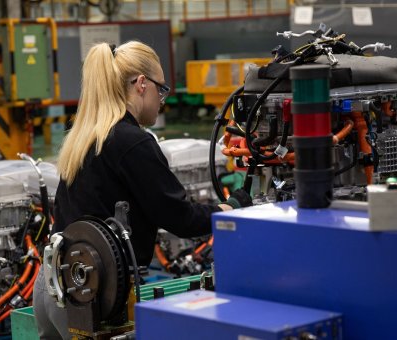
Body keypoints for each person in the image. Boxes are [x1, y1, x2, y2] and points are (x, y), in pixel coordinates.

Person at [33, 41, 253, 340]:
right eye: (161, 90)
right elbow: (179, 218)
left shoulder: (84, 137)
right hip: (93, 298)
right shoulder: (132, 141)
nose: (162, 100)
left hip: (54, 287)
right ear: (141, 84)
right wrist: (231, 208)